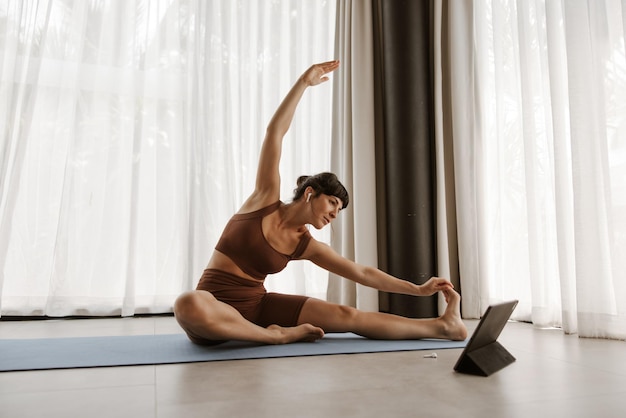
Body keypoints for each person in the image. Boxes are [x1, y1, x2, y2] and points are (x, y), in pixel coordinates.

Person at [174, 60, 468, 345]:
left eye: (338, 210)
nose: (334, 214)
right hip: (211, 308)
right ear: (310, 193)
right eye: (332, 203)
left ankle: (443, 326)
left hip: (258, 308)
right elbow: (274, 134)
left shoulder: (306, 244)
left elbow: (362, 273)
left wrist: (417, 290)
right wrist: (303, 83)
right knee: (187, 302)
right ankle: (276, 336)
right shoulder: (263, 199)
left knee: (347, 314)